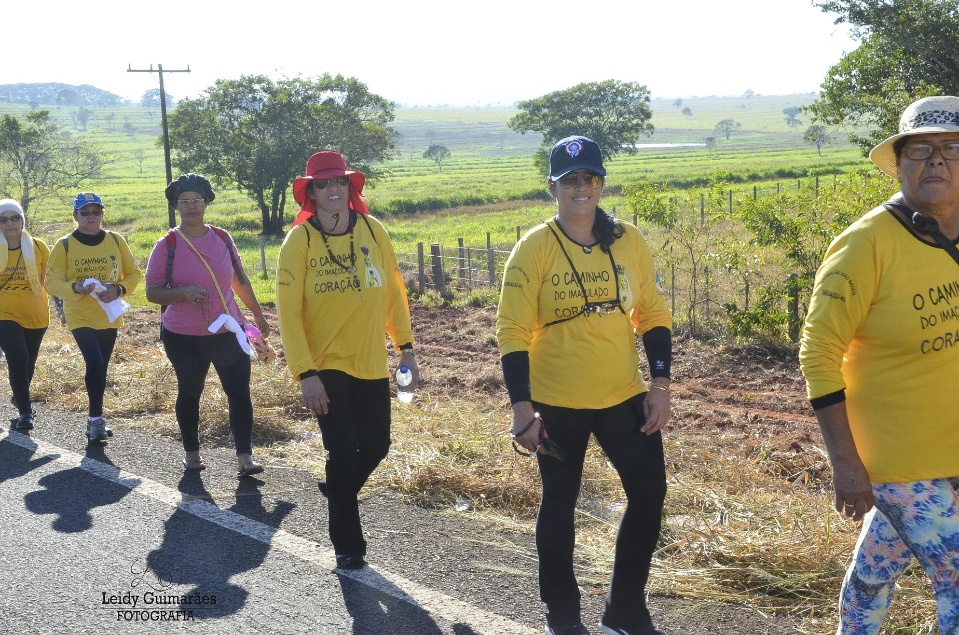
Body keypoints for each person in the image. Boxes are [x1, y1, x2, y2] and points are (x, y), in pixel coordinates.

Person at [497, 136, 672, 635]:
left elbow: (652, 314)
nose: (582, 188)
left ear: (602, 184)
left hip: (624, 397)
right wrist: (521, 409)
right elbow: (511, 331)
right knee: (559, 505)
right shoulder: (533, 249)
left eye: (591, 178)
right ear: (552, 187)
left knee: (649, 494)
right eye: (571, 179)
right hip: (556, 405)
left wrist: (660, 386)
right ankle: (564, 617)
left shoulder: (627, 239)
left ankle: (625, 611)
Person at [800, 95, 959, 634]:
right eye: (921, 149)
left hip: (953, 452)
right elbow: (819, 351)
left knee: (875, 571)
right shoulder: (866, 243)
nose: (937, 161)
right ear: (899, 162)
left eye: (952, 147)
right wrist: (845, 462)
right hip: (899, 459)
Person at [277, 151, 417, 571]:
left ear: (350, 188)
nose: (332, 190)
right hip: (325, 366)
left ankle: (339, 491)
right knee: (341, 450)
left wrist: (405, 347)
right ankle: (348, 546)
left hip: (371, 361)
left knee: (377, 444)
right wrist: (306, 373)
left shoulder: (374, 231)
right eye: (322, 184)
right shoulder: (298, 241)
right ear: (311, 193)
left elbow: (393, 291)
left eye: (339, 182)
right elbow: (288, 312)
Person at [145, 173, 270, 477]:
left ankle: (244, 458)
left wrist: (257, 314)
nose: (191, 207)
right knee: (190, 390)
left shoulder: (223, 238)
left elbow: (239, 280)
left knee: (239, 390)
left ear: (206, 202)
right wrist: (182, 294)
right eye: (184, 202)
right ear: (176, 206)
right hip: (183, 335)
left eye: (196, 200)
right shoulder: (167, 245)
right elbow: (152, 291)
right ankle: (192, 455)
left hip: (228, 330)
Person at [45, 192, 142, 442]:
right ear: (75, 216)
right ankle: (96, 421)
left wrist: (119, 289)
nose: (91, 217)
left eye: (95, 212)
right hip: (79, 313)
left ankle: (95, 419)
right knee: (96, 362)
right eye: (84, 213)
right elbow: (51, 281)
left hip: (109, 313)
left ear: (103, 214)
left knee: (101, 367)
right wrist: (75, 288)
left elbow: (133, 274)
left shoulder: (115, 240)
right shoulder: (64, 244)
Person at [0, 199, 50, 431]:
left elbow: (50, 279)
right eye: (3, 219)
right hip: (4, 313)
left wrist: (64, 306)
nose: (9, 223)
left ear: (22, 220)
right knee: (18, 359)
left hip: (36, 313)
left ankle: (19, 396)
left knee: (28, 363)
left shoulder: (39, 247)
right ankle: (26, 411)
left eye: (14, 218)